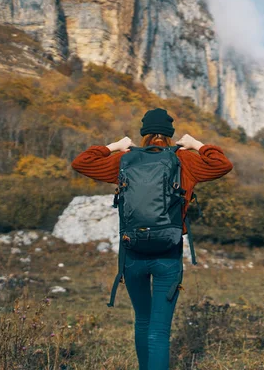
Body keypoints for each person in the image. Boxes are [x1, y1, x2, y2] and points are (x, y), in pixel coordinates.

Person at [71, 108, 233, 370]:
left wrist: (115, 146)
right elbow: (222, 164)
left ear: (143, 134)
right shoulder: (183, 160)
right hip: (168, 252)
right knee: (158, 331)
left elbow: (81, 162)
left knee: (142, 322)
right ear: (170, 135)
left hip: (133, 252)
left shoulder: (126, 160)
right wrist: (196, 144)